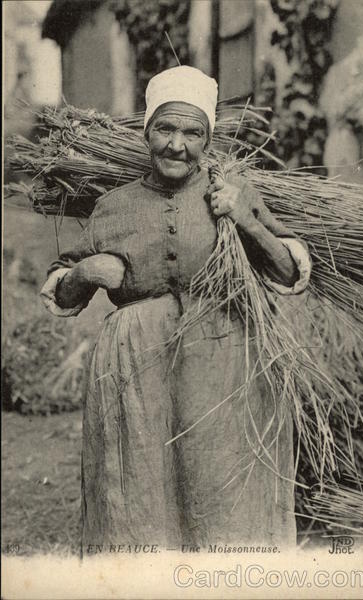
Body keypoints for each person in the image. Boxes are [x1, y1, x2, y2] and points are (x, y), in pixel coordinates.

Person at [41, 66, 311, 552]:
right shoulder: (113, 206)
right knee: (140, 492)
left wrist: (248, 220)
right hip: (135, 374)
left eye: (193, 133)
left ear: (207, 139)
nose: (177, 145)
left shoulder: (233, 190)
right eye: (165, 129)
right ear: (147, 131)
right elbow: (60, 290)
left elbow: (291, 274)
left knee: (223, 492)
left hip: (226, 364)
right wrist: (84, 274)